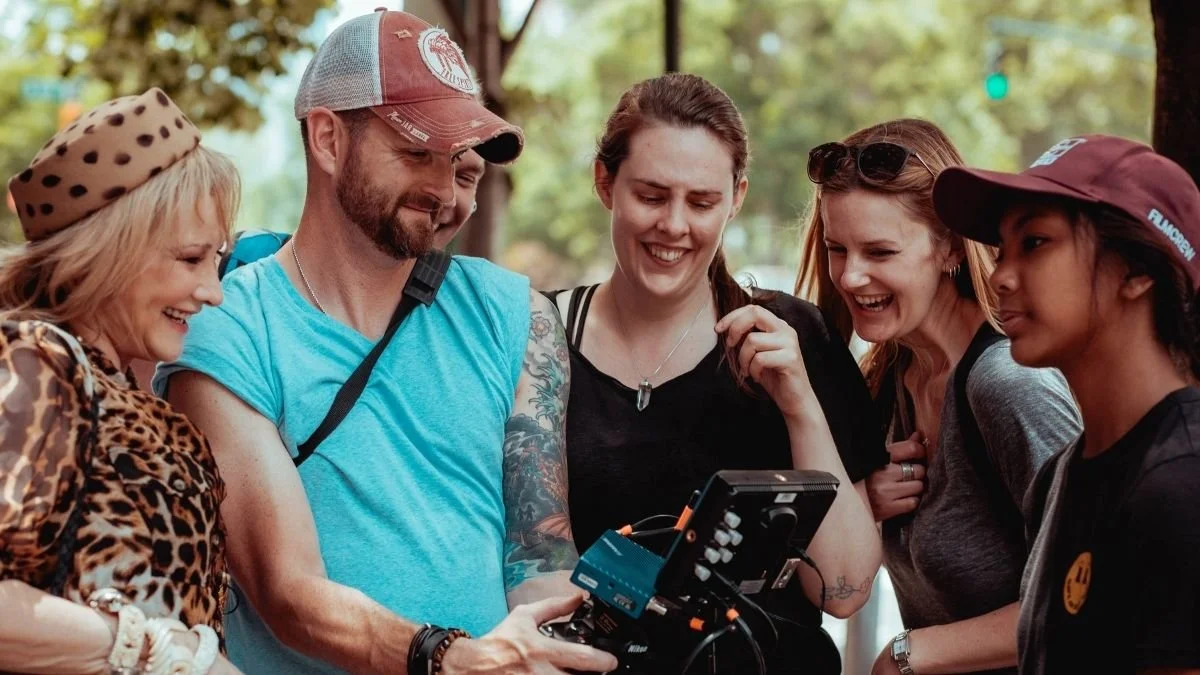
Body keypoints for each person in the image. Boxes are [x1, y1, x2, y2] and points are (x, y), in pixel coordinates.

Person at [155, 9, 616, 675]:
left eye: (465, 171)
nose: (443, 193)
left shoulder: (517, 313)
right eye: (416, 153)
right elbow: (288, 592)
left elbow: (538, 556)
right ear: (328, 139)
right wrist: (455, 658)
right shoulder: (228, 327)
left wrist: (556, 649)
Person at [549, 72, 887, 674]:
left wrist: (800, 403)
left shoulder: (790, 336)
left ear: (736, 197)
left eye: (702, 202)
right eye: (651, 196)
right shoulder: (540, 339)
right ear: (605, 182)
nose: (675, 226)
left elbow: (845, 589)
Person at [795, 119, 1081, 675]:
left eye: (880, 251)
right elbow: (835, 584)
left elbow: (1096, 592)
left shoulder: (1008, 383)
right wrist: (862, 506)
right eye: (837, 248)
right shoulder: (886, 380)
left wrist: (907, 656)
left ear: (949, 245)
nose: (851, 277)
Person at [933, 135, 1200, 675]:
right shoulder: (1068, 470)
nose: (999, 275)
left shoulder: (1181, 482)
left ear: (1135, 269)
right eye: (1001, 250)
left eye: (1034, 242)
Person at [0, 88, 243, 673]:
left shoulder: (116, 381)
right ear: (108, 250)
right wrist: (156, 649)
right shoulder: (39, 360)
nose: (213, 291)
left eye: (218, 259)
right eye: (190, 259)